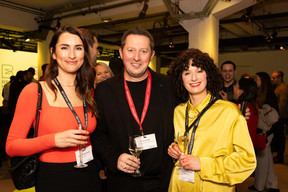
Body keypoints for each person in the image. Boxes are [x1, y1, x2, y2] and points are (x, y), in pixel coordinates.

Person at [6, 25, 101, 192]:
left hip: (90, 173)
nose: (72, 55)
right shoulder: (35, 91)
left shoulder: (87, 91)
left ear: (84, 54)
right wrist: (53, 140)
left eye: (78, 48)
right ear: (53, 53)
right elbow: (12, 147)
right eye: (64, 48)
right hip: (54, 176)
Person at [91, 26, 175, 192]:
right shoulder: (104, 90)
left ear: (151, 55)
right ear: (121, 53)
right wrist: (114, 158)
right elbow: (97, 133)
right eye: (131, 50)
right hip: (121, 182)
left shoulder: (168, 86)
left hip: (163, 181)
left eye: (143, 51)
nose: (136, 58)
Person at [167, 49, 256, 192]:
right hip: (180, 185)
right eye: (187, 73)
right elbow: (186, 144)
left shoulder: (229, 111)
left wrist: (202, 164)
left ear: (208, 74)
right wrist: (174, 150)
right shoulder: (178, 111)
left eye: (199, 71)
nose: (193, 78)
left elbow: (247, 161)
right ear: (181, 78)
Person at [249, 72, 280, 192]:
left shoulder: (269, 96)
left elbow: (274, 118)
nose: (254, 81)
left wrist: (267, 134)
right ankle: (273, 185)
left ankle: (259, 186)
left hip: (266, 132)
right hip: (263, 132)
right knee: (267, 160)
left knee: (262, 161)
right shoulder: (260, 94)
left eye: (256, 79)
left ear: (263, 80)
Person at [233, 77, 259, 145]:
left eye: (236, 85)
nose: (233, 87)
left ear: (240, 91)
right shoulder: (254, 105)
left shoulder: (239, 107)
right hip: (250, 146)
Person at [271, 70, 288, 164]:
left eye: (274, 78)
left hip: (280, 118)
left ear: (280, 78)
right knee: (277, 138)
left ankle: (280, 157)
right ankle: (278, 156)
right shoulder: (277, 87)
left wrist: (277, 117)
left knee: (280, 138)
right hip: (277, 117)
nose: (272, 79)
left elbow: (282, 105)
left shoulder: (283, 89)